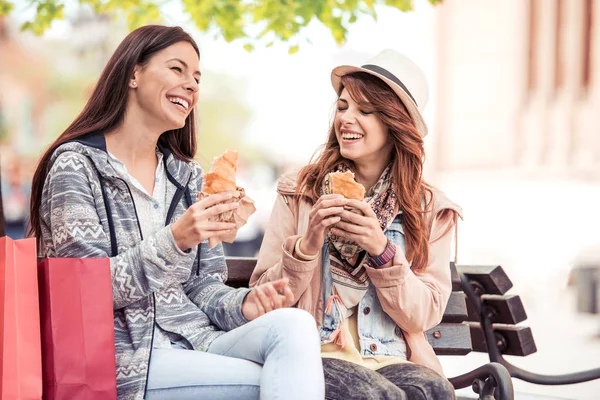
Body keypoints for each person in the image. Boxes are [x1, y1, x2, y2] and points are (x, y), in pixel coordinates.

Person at [28, 25, 324, 400]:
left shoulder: (186, 177)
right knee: (268, 381)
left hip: (195, 341)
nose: (192, 85)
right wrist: (175, 240)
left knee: (294, 326)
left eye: (197, 78)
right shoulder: (76, 167)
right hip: (118, 360)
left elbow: (203, 286)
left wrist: (243, 303)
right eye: (177, 69)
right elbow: (84, 293)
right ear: (133, 73)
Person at [250, 49, 462, 399]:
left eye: (365, 110)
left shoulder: (430, 210)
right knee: (378, 395)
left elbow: (422, 314)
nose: (346, 118)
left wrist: (381, 251)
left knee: (433, 391)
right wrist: (308, 245)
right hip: (314, 352)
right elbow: (263, 298)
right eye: (343, 106)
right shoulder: (300, 192)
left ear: (395, 124)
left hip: (389, 355)